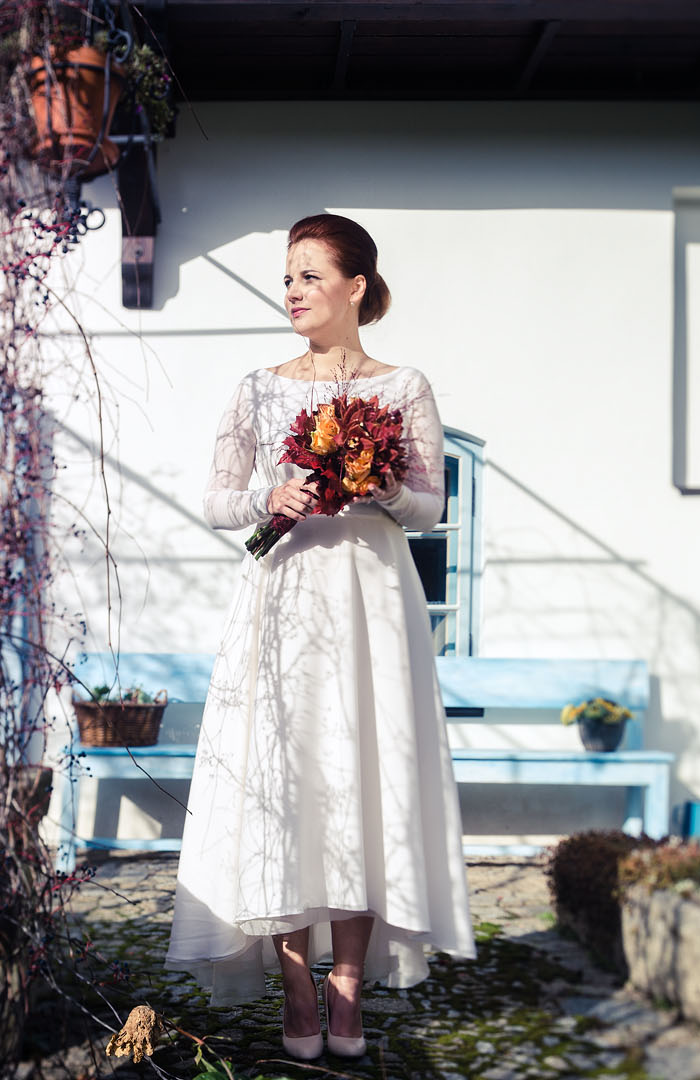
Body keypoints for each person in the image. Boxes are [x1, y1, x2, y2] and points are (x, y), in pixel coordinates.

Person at [164, 213, 475, 1060]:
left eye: (310, 274)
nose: (293, 290)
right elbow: (217, 500)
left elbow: (429, 506)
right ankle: (295, 981)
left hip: (370, 601)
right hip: (283, 600)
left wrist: (377, 487)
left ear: (356, 286)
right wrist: (268, 498)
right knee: (285, 778)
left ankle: (348, 982)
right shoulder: (256, 389)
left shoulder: (405, 386)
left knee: (360, 780)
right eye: (288, 276)